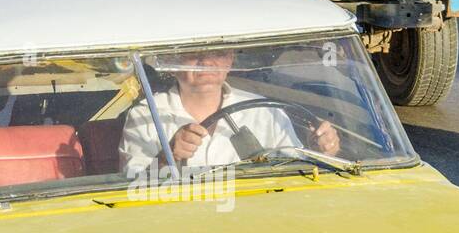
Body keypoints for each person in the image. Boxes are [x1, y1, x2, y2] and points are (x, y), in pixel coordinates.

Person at [119, 50, 340, 176]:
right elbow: (130, 185)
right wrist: (168, 158)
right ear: (173, 62)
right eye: (193, 53)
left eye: (219, 52)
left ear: (230, 59)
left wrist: (320, 151)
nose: (206, 61)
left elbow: (294, 172)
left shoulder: (265, 110)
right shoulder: (146, 115)